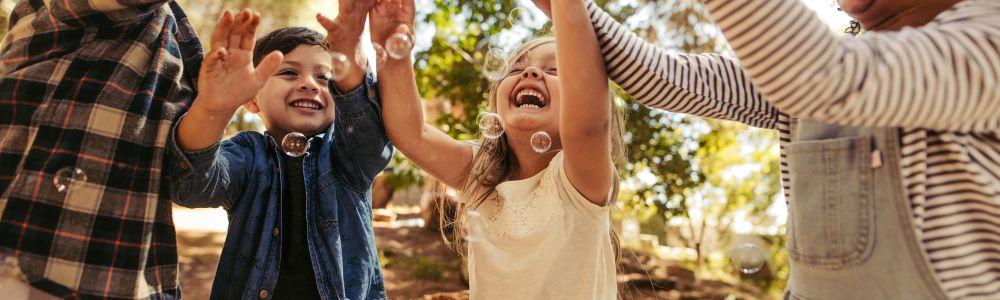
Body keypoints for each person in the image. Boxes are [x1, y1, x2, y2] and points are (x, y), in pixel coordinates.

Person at [529, 0, 1000, 298]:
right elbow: (668, 78)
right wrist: (573, 10)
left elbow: (825, 75)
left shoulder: (988, 37)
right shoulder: (820, 67)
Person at [371, 0, 623, 298]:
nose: (529, 74)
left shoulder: (580, 181)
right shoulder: (484, 174)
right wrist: (391, 46)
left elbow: (587, 126)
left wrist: (569, 12)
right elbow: (412, 134)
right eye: (516, 69)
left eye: (556, 70)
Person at [166, 1, 392, 299]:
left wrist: (350, 63)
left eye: (325, 78)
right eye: (289, 73)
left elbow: (371, 140)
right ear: (251, 98)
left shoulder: (347, 155)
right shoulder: (247, 154)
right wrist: (213, 109)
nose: (309, 84)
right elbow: (193, 186)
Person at [0, 0, 202, 298]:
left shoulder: (179, 40)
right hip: (27, 253)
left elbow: (185, 165)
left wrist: (215, 109)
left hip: (115, 268)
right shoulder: (49, 8)